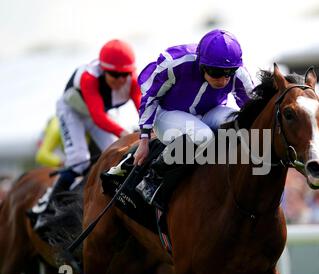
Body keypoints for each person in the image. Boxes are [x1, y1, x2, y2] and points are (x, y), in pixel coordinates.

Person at [133, 29, 254, 209]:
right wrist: (143, 139)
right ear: (201, 64)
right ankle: (153, 177)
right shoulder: (175, 63)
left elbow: (253, 106)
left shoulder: (239, 73)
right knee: (204, 136)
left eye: (228, 73)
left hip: (209, 112)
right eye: (215, 72)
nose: (222, 80)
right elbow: (150, 97)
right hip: (167, 113)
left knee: (236, 122)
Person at [31, 39, 141, 229]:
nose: (121, 79)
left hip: (96, 114)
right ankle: (47, 210)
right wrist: (124, 132)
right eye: (115, 74)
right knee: (79, 160)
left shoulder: (133, 80)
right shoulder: (89, 77)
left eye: (125, 74)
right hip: (73, 112)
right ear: (104, 70)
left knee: (117, 154)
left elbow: (142, 108)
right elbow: (98, 117)